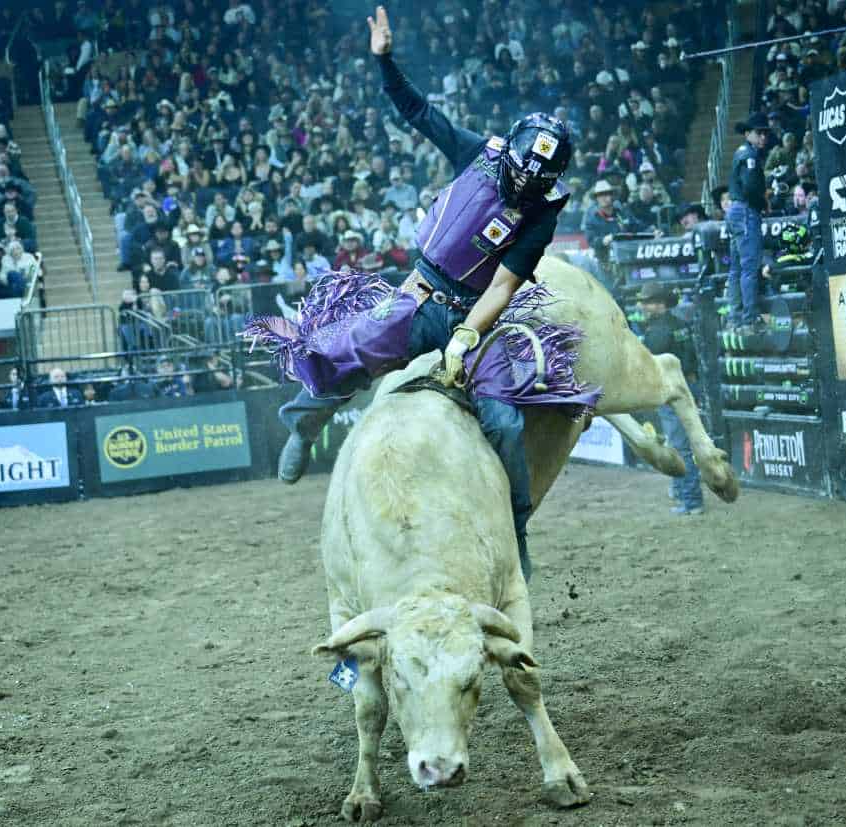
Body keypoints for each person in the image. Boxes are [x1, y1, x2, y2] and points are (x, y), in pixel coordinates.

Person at [259, 5, 594, 581]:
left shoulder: (540, 216)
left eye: (534, 180)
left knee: (508, 424)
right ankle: (304, 425)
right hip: (419, 295)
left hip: (477, 318)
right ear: (508, 153)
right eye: (518, 171)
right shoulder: (476, 155)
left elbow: (507, 284)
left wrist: (468, 334)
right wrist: (385, 60)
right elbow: (418, 111)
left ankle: (515, 528)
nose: (521, 183)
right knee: (340, 350)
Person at [634, 283, 703, 515]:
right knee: (682, 443)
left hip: (670, 393)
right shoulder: (680, 324)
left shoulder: (657, 332)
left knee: (678, 446)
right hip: (687, 388)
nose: (643, 306)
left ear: (660, 304)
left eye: (647, 302)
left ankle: (690, 499)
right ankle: (683, 492)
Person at [727, 113, 770, 334]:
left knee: (736, 269)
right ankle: (749, 319)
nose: (763, 136)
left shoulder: (741, 153)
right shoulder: (749, 156)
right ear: (747, 134)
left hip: (735, 211)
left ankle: (734, 318)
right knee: (749, 268)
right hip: (745, 211)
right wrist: (763, 202)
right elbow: (751, 187)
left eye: (765, 133)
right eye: (758, 132)